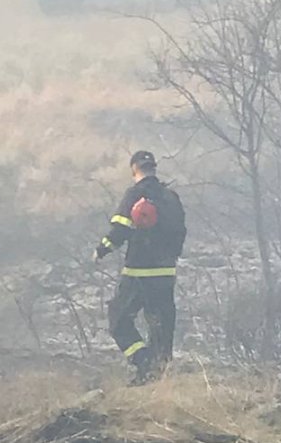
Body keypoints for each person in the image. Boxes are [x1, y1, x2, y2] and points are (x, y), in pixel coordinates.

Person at [94, 151, 187, 386]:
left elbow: (120, 230)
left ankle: (143, 361)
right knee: (160, 324)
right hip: (166, 274)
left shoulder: (135, 194)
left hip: (138, 272)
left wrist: (101, 250)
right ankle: (156, 373)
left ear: (134, 169)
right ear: (154, 168)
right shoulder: (171, 197)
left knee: (118, 319)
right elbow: (181, 232)